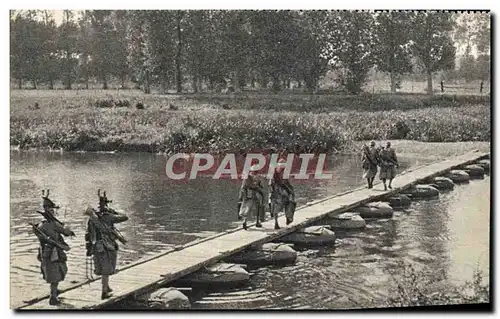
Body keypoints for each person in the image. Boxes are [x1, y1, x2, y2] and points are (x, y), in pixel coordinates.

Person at [85, 190, 128, 300]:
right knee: (107, 269)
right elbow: (125, 217)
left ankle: (107, 287)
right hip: (106, 246)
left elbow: (88, 234)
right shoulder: (108, 216)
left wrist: (89, 248)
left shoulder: (91, 218)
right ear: (106, 205)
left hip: (95, 247)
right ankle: (104, 292)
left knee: (103, 268)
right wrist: (112, 210)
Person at [34, 190, 75, 306]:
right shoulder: (52, 224)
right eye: (51, 210)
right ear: (47, 211)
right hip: (53, 253)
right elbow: (66, 232)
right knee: (56, 273)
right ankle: (53, 297)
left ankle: (54, 293)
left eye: (53, 210)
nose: (53, 212)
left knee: (52, 273)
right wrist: (68, 229)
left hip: (44, 253)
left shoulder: (41, 224)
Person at [269, 158, 296, 229]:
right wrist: (273, 191)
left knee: (291, 202)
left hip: (284, 189)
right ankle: (276, 222)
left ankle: (288, 217)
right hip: (276, 190)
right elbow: (271, 184)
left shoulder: (285, 172)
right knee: (273, 205)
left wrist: (291, 190)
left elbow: (287, 182)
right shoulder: (273, 173)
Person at [238, 165, 265, 230]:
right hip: (255, 193)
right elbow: (262, 186)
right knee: (258, 207)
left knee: (246, 207)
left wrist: (240, 195)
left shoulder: (247, 177)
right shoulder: (259, 177)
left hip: (247, 194)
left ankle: (245, 221)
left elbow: (243, 186)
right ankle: (257, 222)